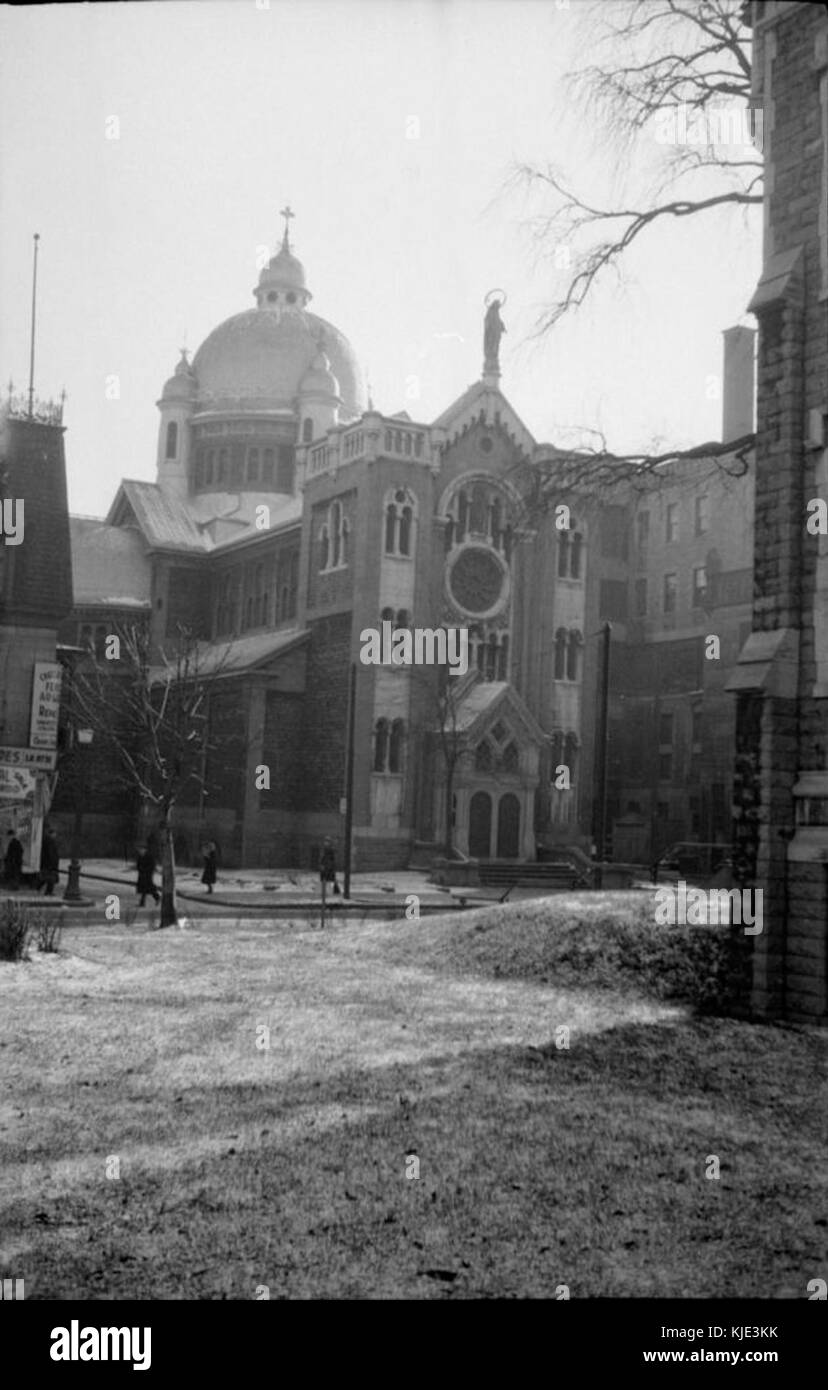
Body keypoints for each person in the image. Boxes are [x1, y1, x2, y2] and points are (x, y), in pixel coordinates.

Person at [39, 823, 60, 895]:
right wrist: (53, 863)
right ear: (52, 834)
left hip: (46, 863)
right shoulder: (51, 842)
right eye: (55, 834)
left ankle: (40, 888)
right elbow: (51, 853)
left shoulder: (46, 840)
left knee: (46, 877)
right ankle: (48, 891)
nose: (55, 835)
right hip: (50, 864)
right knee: (51, 878)